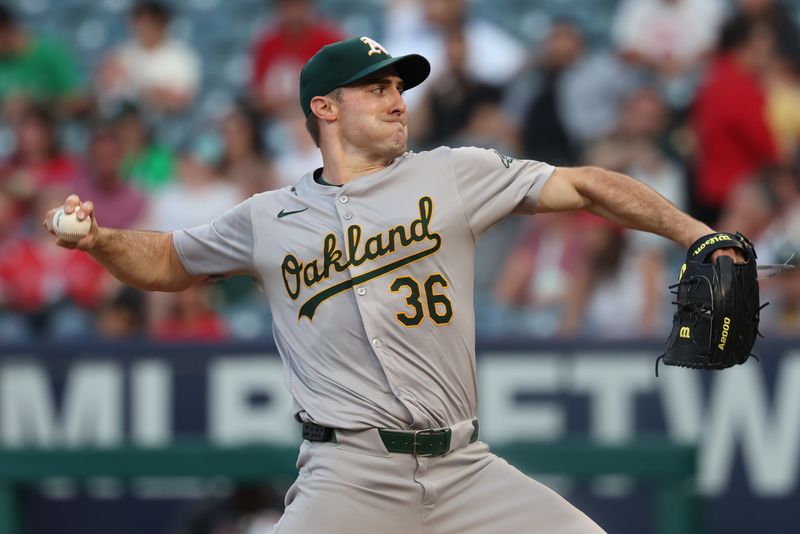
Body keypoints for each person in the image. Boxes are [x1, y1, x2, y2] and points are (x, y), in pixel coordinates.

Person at [45, 36, 743, 533]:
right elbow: (168, 261)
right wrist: (101, 241)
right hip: (348, 476)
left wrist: (695, 234)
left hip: (466, 468)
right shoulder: (268, 218)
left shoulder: (454, 173)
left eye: (399, 87)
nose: (396, 100)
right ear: (325, 108)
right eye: (375, 87)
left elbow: (587, 185)